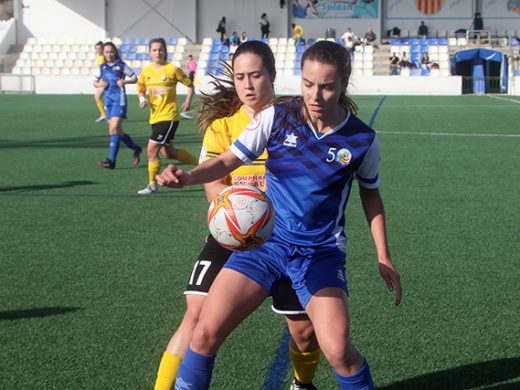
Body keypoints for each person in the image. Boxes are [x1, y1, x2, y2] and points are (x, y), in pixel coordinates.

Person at [157, 40, 402, 390]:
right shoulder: (278, 117)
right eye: (308, 84)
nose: (315, 95)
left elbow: (370, 194)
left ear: (343, 84)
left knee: (337, 352)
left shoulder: (361, 139)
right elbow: (229, 160)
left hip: (318, 254)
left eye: (327, 86)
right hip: (266, 245)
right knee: (204, 331)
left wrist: (383, 256)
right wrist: (188, 177)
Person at [153, 40, 321, 390]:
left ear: (272, 75)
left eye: (255, 75)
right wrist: (236, 221)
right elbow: (215, 188)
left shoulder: (296, 121)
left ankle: (301, 384)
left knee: (304, 332)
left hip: (287, 237)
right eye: (240, 76)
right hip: (233, 234)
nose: (247, 85)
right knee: (196, 315)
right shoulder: (221, 128)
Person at [136, 38, 197, 195]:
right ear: (150, 52)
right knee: (169, 153)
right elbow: (140, 88)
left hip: (169, 117)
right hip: (155, 118)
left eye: (161, 49)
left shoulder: (172, 69)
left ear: (165, 51)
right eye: (155, 49)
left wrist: (188, 101)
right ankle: (200, 163)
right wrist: (142, 98)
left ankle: (152, 185)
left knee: (151, 150)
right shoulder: (146, 72)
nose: (158, 52)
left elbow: (190, 85)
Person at [93, 42, 141, 170]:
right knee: (118, 132)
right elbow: (94, 82)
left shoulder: (121, 66)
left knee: (113, 129)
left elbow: (135, 78)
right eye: (107, 52)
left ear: (115, 52)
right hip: (108, 101)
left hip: (119, 101)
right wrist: (99, 85)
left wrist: (124, 81)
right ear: (103, 53)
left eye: (111, 51)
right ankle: (136, 149)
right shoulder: (102, 67)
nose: (109, 54)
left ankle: (112, 161)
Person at [93, 41, 106, 123]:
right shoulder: (99, 57)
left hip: (106, 80)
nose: (98, 50)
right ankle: (104, 114)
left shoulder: (104, 57)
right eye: (96, 48)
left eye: (99, 48)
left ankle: (104, 114)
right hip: (102, 79)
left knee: (97, 97)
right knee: (98, 97)